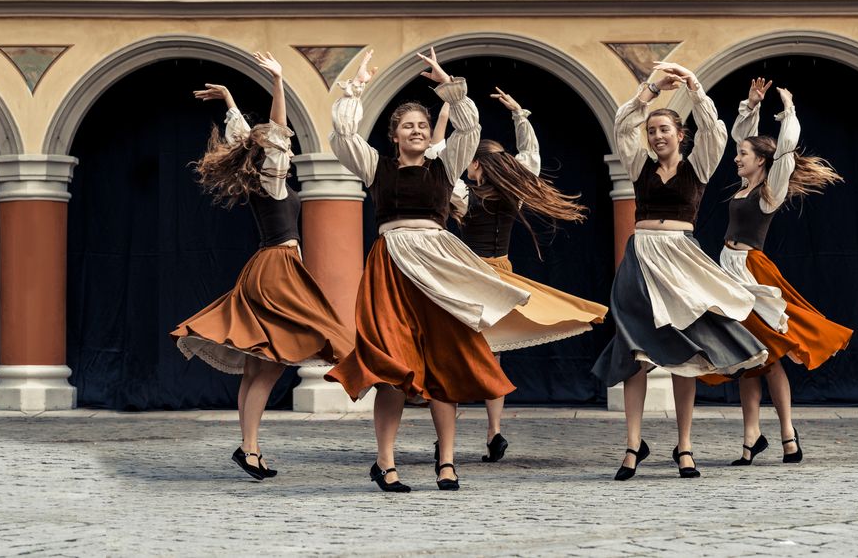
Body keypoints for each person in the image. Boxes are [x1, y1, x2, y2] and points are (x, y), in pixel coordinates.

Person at [324, 49, 540, 492]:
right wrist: (359, 85)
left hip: (439, 266)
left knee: (446, 364)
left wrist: (449, 86)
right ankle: (386, 462)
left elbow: (470, 126)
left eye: (422, 126)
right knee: (392, 366)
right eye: (409, 126)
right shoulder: (375, 167)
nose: (418, 131)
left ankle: (446, 462)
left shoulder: (446, 167)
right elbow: (344, 134)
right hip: (392, 265)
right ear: (395, 136)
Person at [171, 52, 352, 481]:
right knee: (274, 359)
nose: (279, 142)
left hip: (266, 265)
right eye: (273, 142)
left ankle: (249, 449)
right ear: (269, 150)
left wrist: (231, 100)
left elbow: (249, 134)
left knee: (258, 367)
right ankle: (250, 447)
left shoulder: (259, 173)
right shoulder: (271, 177)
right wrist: (278, 82)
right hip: (278, 266)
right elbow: (277, 130)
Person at [592, 62, 768, 481]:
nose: (656, 135)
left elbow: (714, 132)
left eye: (664, 130)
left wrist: (693, 88)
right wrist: (650, 90)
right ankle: (633, 445)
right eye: (652, 130)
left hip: (682, 257)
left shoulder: (699, 165)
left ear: (679, 135)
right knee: (635, 351)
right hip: (642, 257)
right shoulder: (639, 165)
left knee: (685, 354)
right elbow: (622, 127)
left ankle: (684, 446)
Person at [428, 88, 608, 463]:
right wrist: (520, 117)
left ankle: (448, 431)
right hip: (502, 272)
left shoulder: (463, 194)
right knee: (492, 355)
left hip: (471, 275)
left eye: (471, 163)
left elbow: (438, 158)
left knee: (453, 353)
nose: (466, 167)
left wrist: (445, 114)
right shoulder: (513, 191)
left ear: (477, 164)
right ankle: (494, 431)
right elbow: (531, 158)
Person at [700, 77, 853, 466]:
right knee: (750, 356)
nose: (738, 158)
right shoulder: (742, 185)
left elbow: (784, 151)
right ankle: (753, 436)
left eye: (745, 155)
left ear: (762, 161)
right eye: (739, 154)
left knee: (768, 354)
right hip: (728, 270)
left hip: (752, 270)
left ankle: (786, 433)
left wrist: (788, 112)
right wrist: (750, 107)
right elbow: (742, 138)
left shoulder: (771, 190)